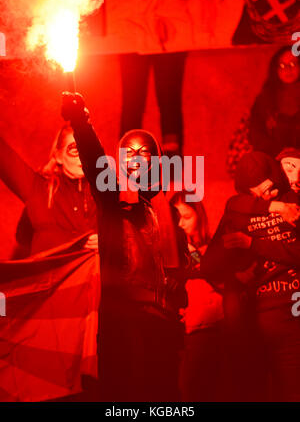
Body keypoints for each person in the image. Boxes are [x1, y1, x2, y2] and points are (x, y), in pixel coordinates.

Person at [61, 92, 188, 402]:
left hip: (163, 325)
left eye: (143, 152)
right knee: (123, 397)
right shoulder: (113, 198)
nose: (134, 157)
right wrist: (81, 121)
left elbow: (177, 267)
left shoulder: (168, 211)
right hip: (122, 321)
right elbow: (94, 161)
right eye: (128, 152)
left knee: (163, 396)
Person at [202, 151, 300, 401]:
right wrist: (235, 276)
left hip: (292, 318)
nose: (269, 195)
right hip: (251, 323)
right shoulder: (240, 210)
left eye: (270, 189)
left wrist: (252, 244)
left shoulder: (293, 204)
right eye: (260, 192)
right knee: (251, 392)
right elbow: (209, 265)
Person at [0, 124, 98, 256]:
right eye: (74, 149)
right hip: (49, 274)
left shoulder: (103, 194)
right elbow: (5, 158)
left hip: (88, 274)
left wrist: (107, 241)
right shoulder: (38, 188)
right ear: (58, 156)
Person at [170, 191, 224, 402]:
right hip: (181, 333)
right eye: (176, 219)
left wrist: (192, 252)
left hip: (210, 331)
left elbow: (216, 275)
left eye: (187, 217)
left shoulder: (210, 248)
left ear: (199, 217)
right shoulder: (166, 254)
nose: (181, 224)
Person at [249, 47, 300, 157]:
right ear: (275, 69)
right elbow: (256, 132)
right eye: (282, 66)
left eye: (293, 64)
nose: (287, 70)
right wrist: (278, 151)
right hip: (274, 156)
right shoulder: (266, 97)